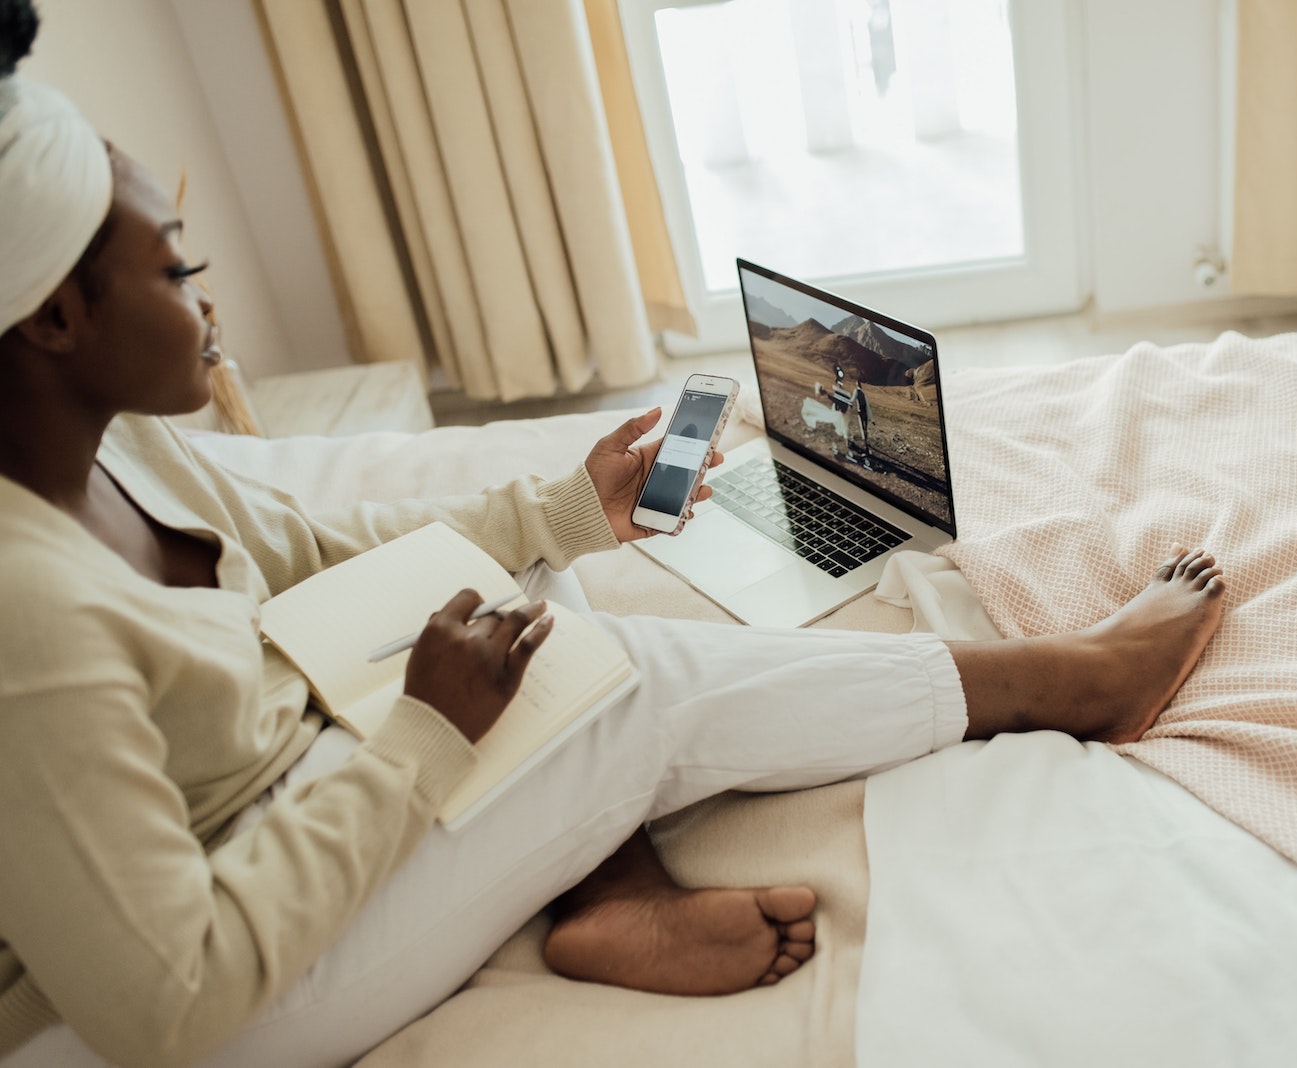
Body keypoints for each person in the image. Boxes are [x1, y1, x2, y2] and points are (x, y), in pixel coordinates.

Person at [0, 14, 1226, 1068]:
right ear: (57, 318)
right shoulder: (28, 622)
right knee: (631, 691)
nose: (207, 304)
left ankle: (611, 892)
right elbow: (171, 997)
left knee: (528, 598)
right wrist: (424, 738)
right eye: (179, 270)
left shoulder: (122, 443)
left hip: (296, 766)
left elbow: (326, 549)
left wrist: (560, 516)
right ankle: (1065, 686)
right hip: (224, 1001)